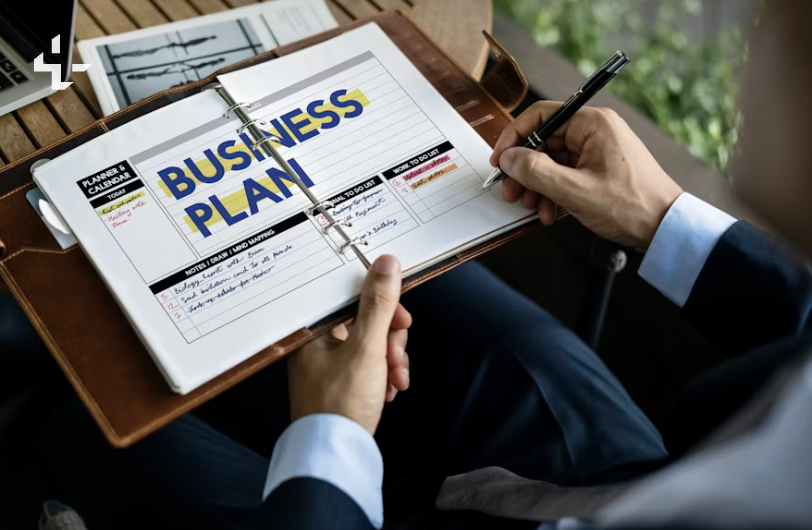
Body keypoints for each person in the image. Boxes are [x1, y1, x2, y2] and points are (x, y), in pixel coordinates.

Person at [28, 1, 812, 528]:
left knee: (91, 434)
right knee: (389, 264)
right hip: (629, 473)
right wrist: (659, 219)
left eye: (784, 28)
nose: (758, 47)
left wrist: (331, 439)